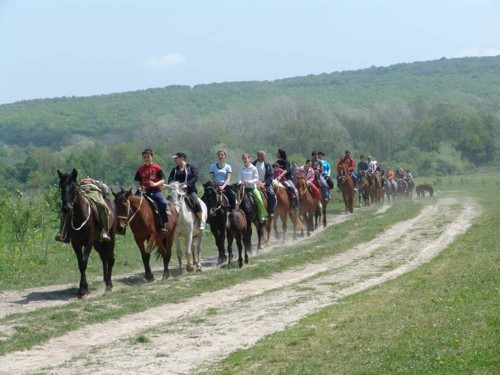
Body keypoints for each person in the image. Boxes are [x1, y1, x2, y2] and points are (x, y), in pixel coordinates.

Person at [55, 177, 111, 242]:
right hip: (81, 189)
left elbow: (105, 190)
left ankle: (104, 231)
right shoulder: (78, 183)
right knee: (67, 208)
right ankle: (63, 232)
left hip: (94, 190)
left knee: (102, 205)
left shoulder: (98, 184)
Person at [168, 152, 205, 230]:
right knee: (167, 203)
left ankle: (201, 221)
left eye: (176, 158)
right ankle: (167, 222)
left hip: (189, 191)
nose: (175, 160)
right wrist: (173, 185)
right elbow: (170, 179)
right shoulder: (174, 170)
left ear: (182, 158)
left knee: (196, 203)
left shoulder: (191, 167)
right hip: (177, 191)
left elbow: (195, 177)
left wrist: (187, 184)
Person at [134, 148, 169, 233]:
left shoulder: (156, 168)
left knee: (163, 203)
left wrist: (155, 184)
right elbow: (136, 180)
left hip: (155, 190)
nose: (146, 158)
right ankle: (131, 224)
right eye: (144, 157)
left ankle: (163, 224)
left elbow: (163, 180)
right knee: (131, 202)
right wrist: (139, 187)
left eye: (148, 156)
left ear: (152, 157)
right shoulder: (140, 169)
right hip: (143, 191)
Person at [239, 153, 268, 223]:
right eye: (243, 159)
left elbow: (256, 179)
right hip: (243, 189)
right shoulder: (241, 169)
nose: (244, 160)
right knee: (236, 200)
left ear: (249, 159)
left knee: (259, 199)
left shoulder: (254, 168)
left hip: (252, 188)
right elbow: (239, 179)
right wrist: (241, 182)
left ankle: (262, 215)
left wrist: (248, 182)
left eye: (246, 158)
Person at [209, 149, 236, 213]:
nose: (220, 156)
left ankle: (232, 211)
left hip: (225, 185)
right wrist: (214, 185)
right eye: (219, 155)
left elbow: (228, 178)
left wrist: (223, 186)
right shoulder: (212, 166)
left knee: (232, 196)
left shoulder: (228, 167)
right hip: (215, 186)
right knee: (207, 196)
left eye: (222, 155)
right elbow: (211, 178)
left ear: (225, 156)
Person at [252, 151, 276, 218]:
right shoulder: (253, 164)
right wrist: (256, 182)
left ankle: (271, 211)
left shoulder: (268, 164)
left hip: (265, 183)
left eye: (264, 155)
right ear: (258, 156)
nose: (263, 157)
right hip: (254, 183)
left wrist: (264, 183)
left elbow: (271, 176)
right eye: (261, 155)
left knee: (272, 194)